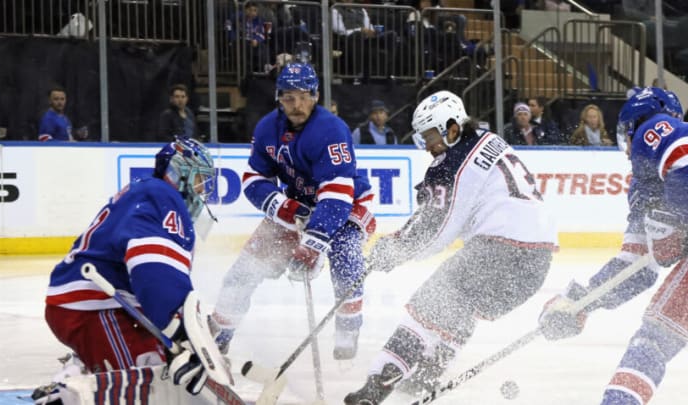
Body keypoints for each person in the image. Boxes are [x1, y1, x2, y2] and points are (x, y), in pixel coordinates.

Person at [344, 90, 557, 404]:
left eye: (431, 135)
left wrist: (394, 248)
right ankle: (424, 379)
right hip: (538, 261)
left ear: (453, 128)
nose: (427, 145)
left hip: (499, 250)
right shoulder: (488, 138)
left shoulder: (451, 163)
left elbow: (438, 230)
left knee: (428, 305)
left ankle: (376, 387)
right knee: (461, 309)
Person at [210, 62, 376, 360]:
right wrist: (286, 209)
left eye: (303, 96)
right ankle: (218, 337)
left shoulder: (331, 130)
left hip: (347, 203)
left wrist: (313, 243)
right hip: (299, 203)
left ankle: (348, 329)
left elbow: (336, 194)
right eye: (288, 97)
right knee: (243, 271)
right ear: (278, 97)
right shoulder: (266, 129)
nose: (297, 104)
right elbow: (253, 179)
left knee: (346, 256)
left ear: (315, 95)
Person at [40, 137, 222, 402]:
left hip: (102, 303)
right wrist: (179, 328)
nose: (202, 190)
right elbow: (153, 270)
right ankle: (66, 397)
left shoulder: (149, 191)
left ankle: (78, 375)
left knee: (161, 367)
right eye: (199, 179)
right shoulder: (163, 197)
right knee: (147, 380)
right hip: (95, 306)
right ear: (178, 173)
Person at [538, 87, 688, 405]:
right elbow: (635, 269)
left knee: (654, 340)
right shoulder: (643, 186)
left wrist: (680, 216)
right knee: (656, 338)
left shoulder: (655, 127)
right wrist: (580, 303)